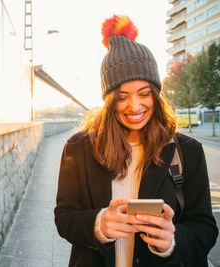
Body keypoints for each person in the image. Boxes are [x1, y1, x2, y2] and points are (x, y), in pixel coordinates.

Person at [54, 15, 218, 267]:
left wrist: (172, 241)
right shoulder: (79, 147)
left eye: (144, 94)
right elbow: (64, 218)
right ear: (109, 100)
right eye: (122, 96)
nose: (135, 106)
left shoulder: (188, 151)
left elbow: (205, 228)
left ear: (155, 95)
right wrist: (98, 224)